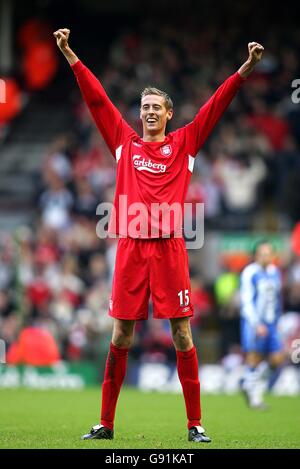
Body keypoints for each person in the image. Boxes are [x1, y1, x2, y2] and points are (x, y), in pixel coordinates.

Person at [53, 27, 264, 442]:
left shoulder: (184, 144)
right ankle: (106, 424)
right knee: (121, 334)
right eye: (144, 106)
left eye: (156, 107)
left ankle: (195, 424)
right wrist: (69, 53)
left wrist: (246, 69)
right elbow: (97, 100)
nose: (149, 111)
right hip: (131, 248)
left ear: (168, 114)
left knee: (182, 333)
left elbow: (215, 107)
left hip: (169, 249)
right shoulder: (124, 143)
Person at [240, 241, 285, 408]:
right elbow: (247, 300)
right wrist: (255, 323)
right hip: (254, 322)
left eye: (268, 253)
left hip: (271, 322)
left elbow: (278, 298)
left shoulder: (275, 272)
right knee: (254, 357)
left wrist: (278, 320)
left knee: (277, 358)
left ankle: (249, 384)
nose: (266, 256)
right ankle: (255, 397)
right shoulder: (250, 272)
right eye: (262, 253)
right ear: (256, 255)